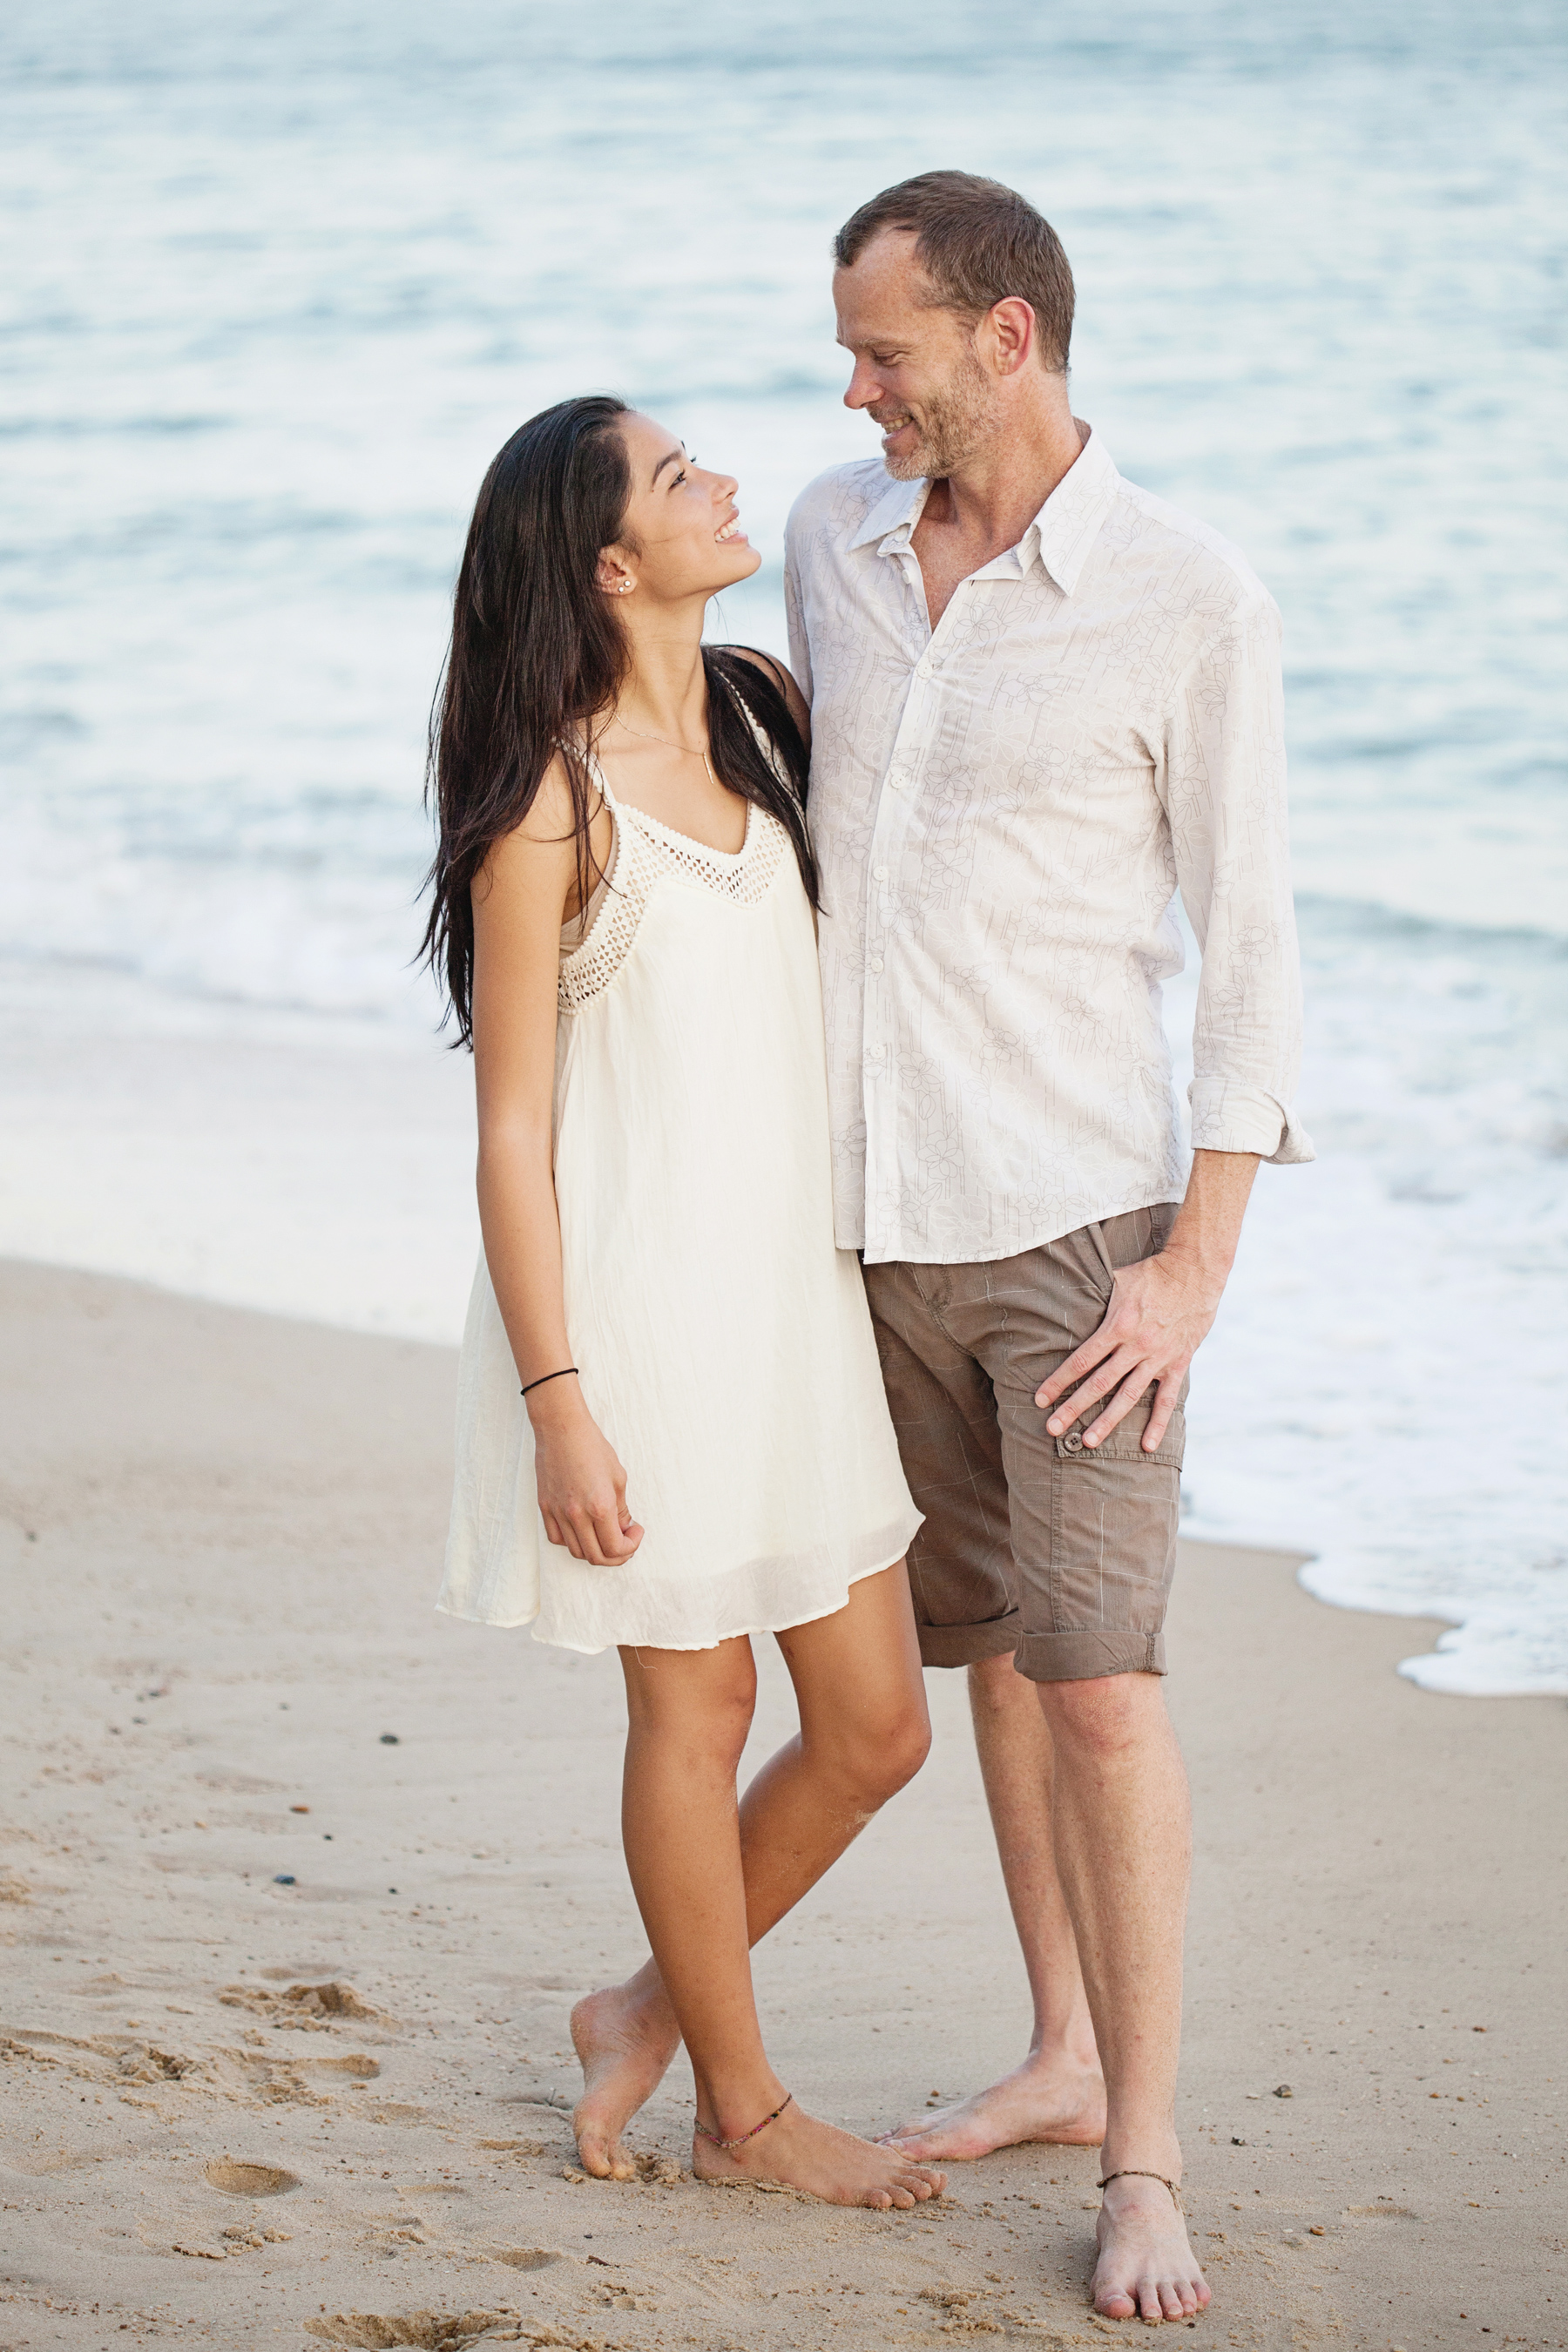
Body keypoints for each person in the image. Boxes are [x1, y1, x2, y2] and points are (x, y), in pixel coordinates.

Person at [784, 172, 1313, 2322]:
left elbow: (1254, 953)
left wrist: (1194, 1272)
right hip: (861, 1224)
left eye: (887, 349)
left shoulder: (1187, 595)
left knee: (1099, 1691)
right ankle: (1058, 2051)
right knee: (993, 1654)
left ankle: (1148, 2157)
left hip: (1081, 1236)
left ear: (1010, 336)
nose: (855, 388)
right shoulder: (828, 537)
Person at [424, 394, 943, 2212]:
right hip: (633, 1316)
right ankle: (742, 2106)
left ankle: (638, 2008)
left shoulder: (766, 711)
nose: (720, 475)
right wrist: (558, 1394)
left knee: (880, 1723)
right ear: (612, 567)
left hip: (791, 1308)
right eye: (673, 474)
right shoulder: (544, 807)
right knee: (699, 1707)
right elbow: (510, 1129)